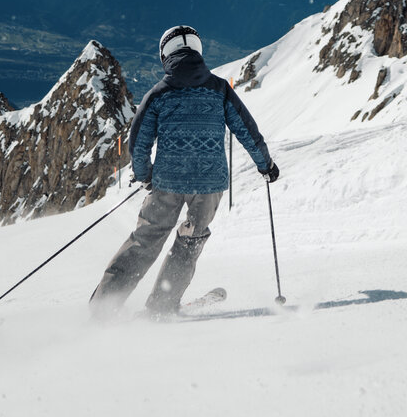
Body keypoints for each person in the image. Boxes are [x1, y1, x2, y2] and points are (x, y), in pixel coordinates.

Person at [91, 26, 278, 318]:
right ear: (197, 50)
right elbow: (246, 129)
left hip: (168, 181)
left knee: (145, 241)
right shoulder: (220, 89)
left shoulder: (158, 94)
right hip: (210, 183)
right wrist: (265, 165)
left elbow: (139, 142)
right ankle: (162, 305)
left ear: (165, 55)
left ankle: (103, 307)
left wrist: (144, 175)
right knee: (190, 241)